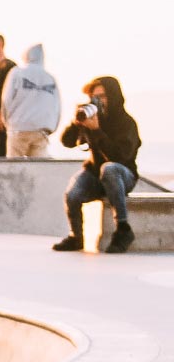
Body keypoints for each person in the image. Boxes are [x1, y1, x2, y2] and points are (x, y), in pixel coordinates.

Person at [53, 77, 141, 254]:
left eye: (102, 96)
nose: (98, 101)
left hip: (123, 176)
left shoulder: (126, 123)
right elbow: (67, 142)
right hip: (96, 174)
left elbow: (119, 157)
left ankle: (123, 230)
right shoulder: (91, 117)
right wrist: (76, 123)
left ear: (114, 96)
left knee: (109, 169)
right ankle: (76, 237)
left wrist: (97, 131)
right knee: (72, 194)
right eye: (94, 97)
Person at [0, 45, 60, 158]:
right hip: (41, 131)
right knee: (37, 170)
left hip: (18, 128)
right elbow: (57, 106)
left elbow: (6, 99)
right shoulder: (50, 78)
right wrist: (52, 127)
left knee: (13, 170)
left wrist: (6, 121)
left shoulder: (17, 72)